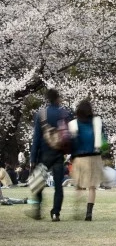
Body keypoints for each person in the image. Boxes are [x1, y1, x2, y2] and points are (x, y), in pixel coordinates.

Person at [28, 89, 72, 221]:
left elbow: (36, 138)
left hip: (44, 153)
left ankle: (37, 210)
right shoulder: (64, 113)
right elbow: (69, 135)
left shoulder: (41, 114)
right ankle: (55, 213)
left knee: (38, 182)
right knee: (59, 186)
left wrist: (33, 158)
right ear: (57, 98)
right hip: (58, 153)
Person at [68, 100, 104, 221]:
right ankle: (89, 213)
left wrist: (71, 157)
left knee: (78, 186)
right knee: (92, 187)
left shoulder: (73, 124)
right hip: (94, 157)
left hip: (79, 158)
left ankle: (78, 209)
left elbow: (72, 143)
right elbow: (102, 139)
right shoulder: (96, 122)